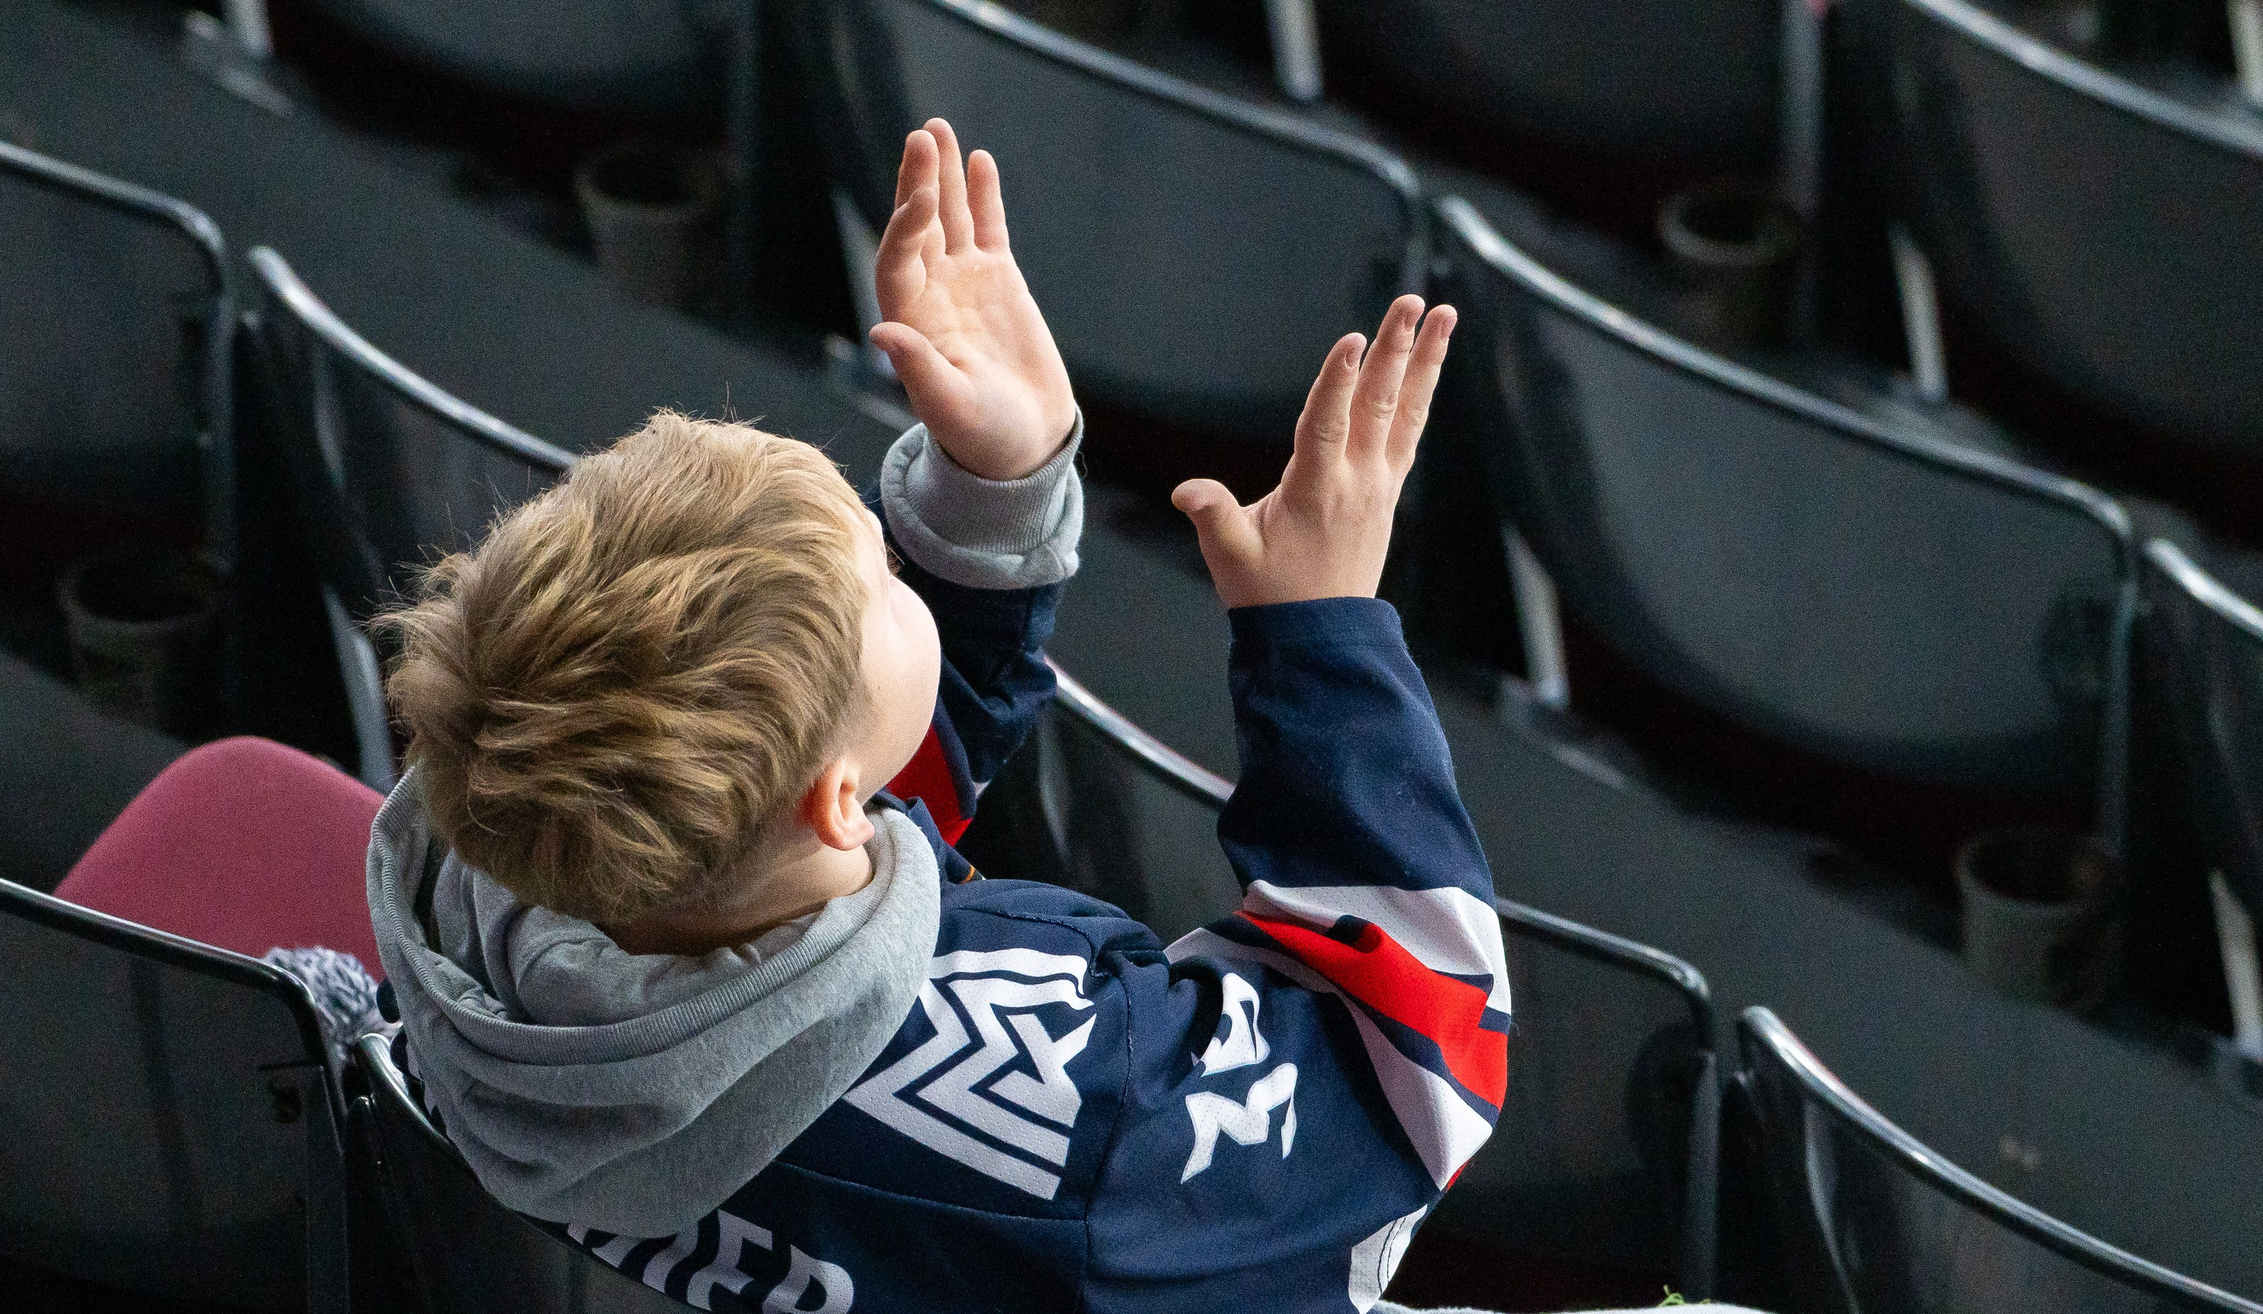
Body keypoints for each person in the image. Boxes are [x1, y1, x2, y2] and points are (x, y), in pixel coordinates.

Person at [365, 118, 1502, 1313]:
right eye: (886, 582)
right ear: (838, 802)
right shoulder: (1077, 1118)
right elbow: (1411, 1063)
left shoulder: (481, 861)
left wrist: (991, 485)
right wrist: (1320, 638)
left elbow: (817, 766)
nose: (895, 562)